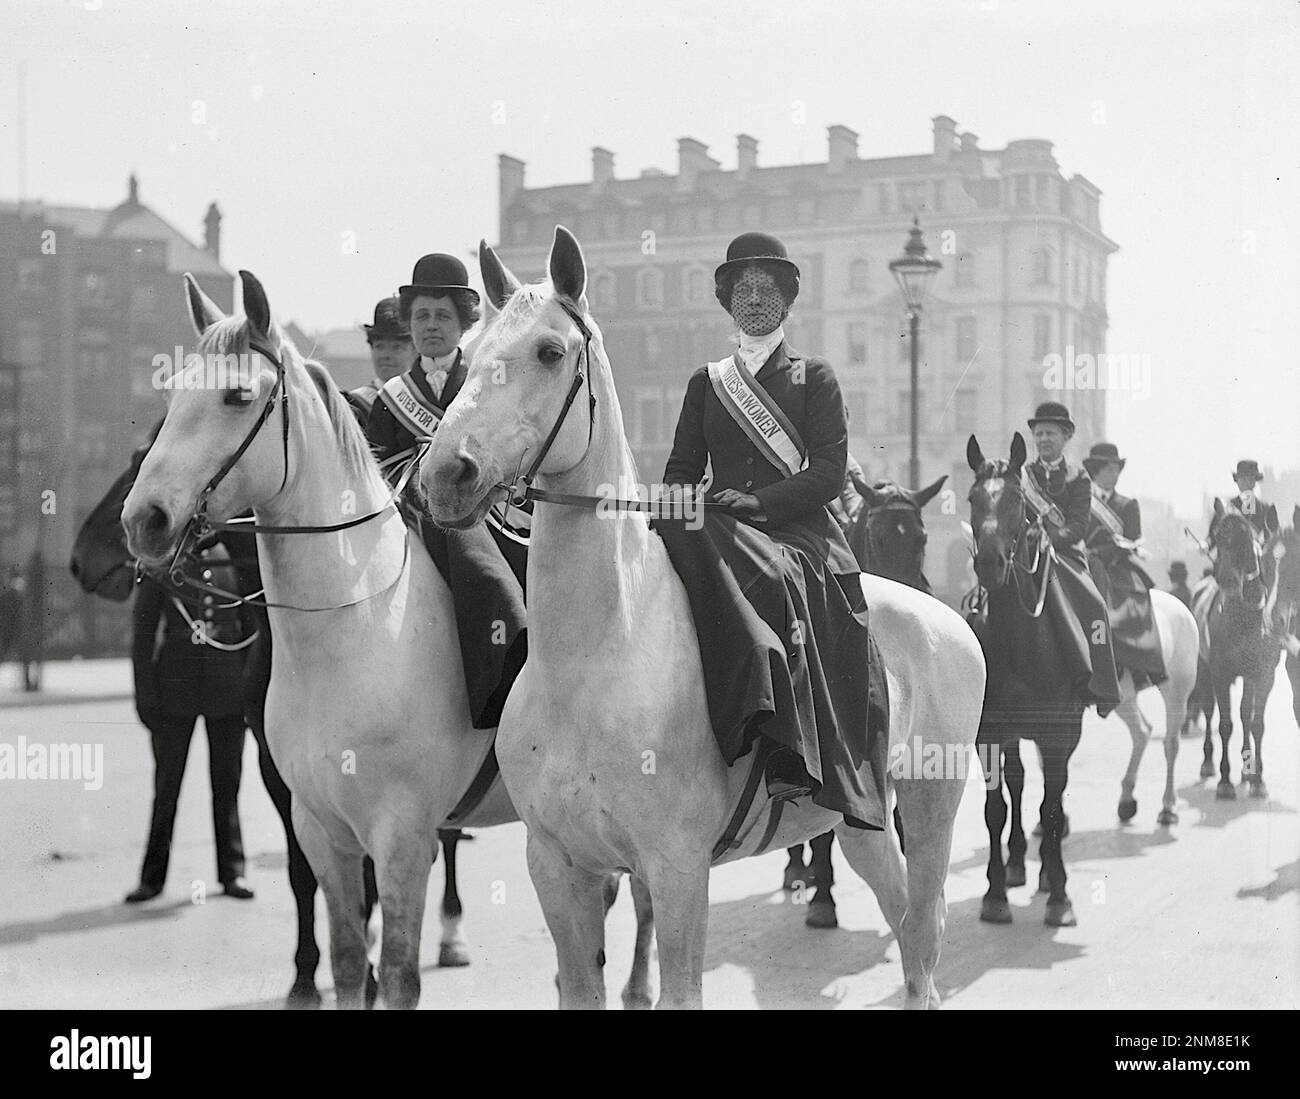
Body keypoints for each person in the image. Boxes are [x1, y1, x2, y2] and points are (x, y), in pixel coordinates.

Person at [658, 231, 889, 830]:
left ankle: (788, 740)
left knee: (771, 573)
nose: (754, 299)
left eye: (766, 289)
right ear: (727, 302)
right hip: (720, 522)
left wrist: (757, 502)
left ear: (787, 303)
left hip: (798, 531)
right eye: (742, 289)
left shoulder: (815, 377)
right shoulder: (706, 383)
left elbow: (829, 474)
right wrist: (684, 501)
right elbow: (682, 471)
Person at [364, 253, 527, 731]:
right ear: (408, 325)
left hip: (486, 512)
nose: (431, 327)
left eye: (442, 316)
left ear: (462, 324)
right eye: (421, 317)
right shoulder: (392, 398)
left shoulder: (485, 384)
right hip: (410, 521)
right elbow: (377, 469)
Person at [126, 543, 256, 903]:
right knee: (167, 788)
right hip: (174, 690)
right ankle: (152, 879)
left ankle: (233, 873)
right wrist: (145, 695)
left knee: (227, 785)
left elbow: (249, 629)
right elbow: (143, 634)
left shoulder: (232, 558)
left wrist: (249, 690)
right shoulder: (162, 562)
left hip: (228, 690)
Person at [1022, 401, 1121, 713]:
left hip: (1066, 556)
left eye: (1050, 433)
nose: (1043, 439)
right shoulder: (1024, 475)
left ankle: (1102, 686)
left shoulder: (1079, 477)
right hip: (1026, 553)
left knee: (1095, 606)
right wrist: (1028, 536)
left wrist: (1052, 538)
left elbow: (1078, 525)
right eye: (1039, 434)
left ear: (1065, 437)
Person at [1083, 442, 1165, 687]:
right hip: (1084, 562)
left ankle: (1138, 663)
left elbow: (1133, 538)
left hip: (1117, 565)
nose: (1115, 474)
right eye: (1109, 469)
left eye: (1117, 469)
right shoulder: (1082, 500)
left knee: (1134, 606)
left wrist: (1106, 549)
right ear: (1096, 472)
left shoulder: (1129, 505)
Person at [343, 296, 415, 424]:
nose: (386, 355)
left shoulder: (427, 403)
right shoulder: (354, 405)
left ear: (415, 350)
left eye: (397, 347)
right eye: (379, 346)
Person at [1225, 459, 1278, 542]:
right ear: (1237, 481)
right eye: (1242, 479)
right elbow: (1216, 532)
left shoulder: (1266, 509)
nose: (1245, 483)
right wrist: (1207, 544)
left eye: (1249, 479)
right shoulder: (1227, 507)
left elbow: (1275, 536)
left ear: (1254, 482)